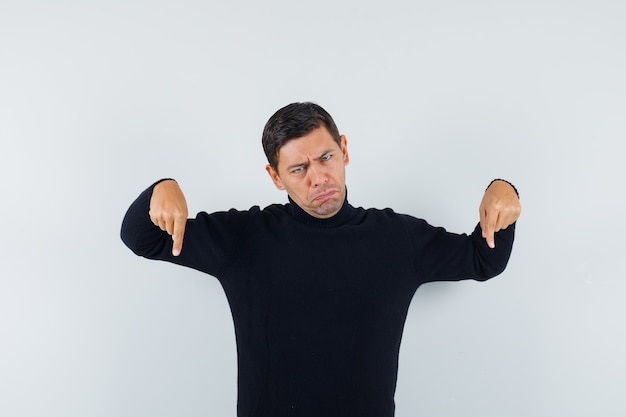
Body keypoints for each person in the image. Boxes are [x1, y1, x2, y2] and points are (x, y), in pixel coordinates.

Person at [121, 102, 521, 417]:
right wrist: (164, 186)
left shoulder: (398, 239)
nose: (318, 178)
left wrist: (501, 189)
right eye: (298, 169)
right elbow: (141, 237)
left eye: (326, 158)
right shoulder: (242, 239)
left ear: (344, 149)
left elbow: (484, 260)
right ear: (276, 177)